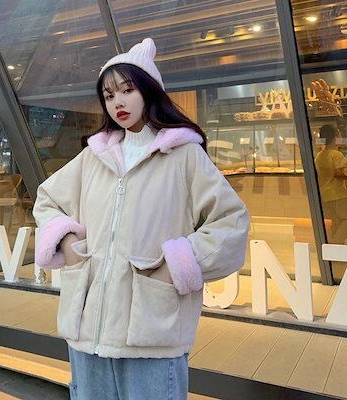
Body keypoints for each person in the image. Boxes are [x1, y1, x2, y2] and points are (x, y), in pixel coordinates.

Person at [33, 38, 249, 400]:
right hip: (87, 329)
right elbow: (47, 200)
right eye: (109, 95)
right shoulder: (94, 157)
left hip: (151, 331)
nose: (117, 102)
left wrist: (175, 265)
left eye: (127, 90)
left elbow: (231, 222)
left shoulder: (183, 155)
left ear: (149, 91)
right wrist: (67, 242)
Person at [315, 124, 347, 245]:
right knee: (345, 220)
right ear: (334, 137)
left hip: (325, 195)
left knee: (334, 223)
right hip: (338, 194)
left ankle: (333, 246)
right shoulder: (336, 154)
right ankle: (336, 243)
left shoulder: (319, 155)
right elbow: (338, 173)